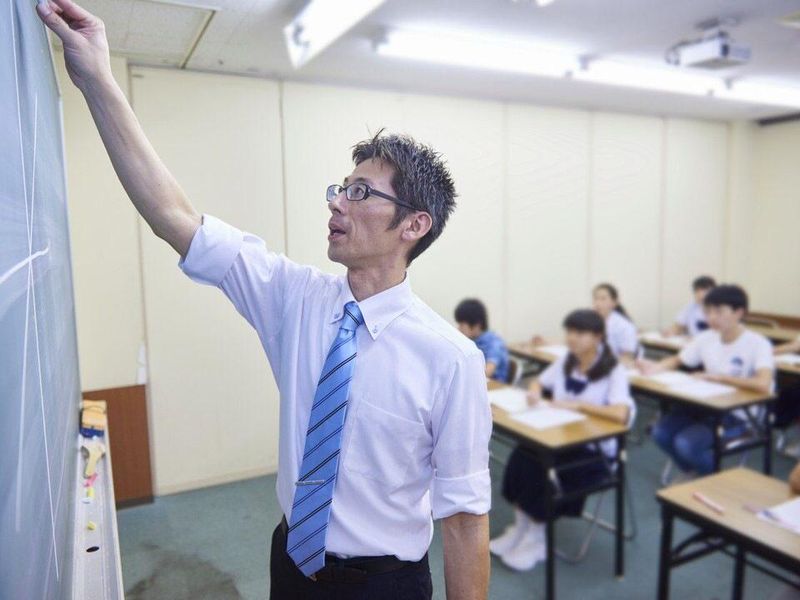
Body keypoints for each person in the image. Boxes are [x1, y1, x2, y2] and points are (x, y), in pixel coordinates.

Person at [37, 2, 492, 598]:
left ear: (414, 225)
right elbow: (173, 216)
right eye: (341, 188)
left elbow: (463, 520)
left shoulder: (450, 359)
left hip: (384, 584)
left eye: (360, 192)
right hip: (291, 563)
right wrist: (97, 76)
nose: (337, 202)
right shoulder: (294, 297)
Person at [490, 309, 634, 571]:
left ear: (598, 337)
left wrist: (578, 405)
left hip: (594, 452)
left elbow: (620, 413)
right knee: (523, 456)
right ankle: (521, 528)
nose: (572, 338)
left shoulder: (612, 369)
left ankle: (537, 537)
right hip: (558, 436)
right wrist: (535, 392)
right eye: (570, 331)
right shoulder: (568, 360)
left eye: (580, 333)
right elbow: (538, 382)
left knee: (545, 471)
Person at [640, 284, 775, 476]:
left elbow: (763, 383)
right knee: (660, 433)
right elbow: (678, 359)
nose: (711, 318)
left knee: (686, 444)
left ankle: (712, 482)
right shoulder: (706, 338)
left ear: (739, 313)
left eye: (719, 311)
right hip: (707, 406)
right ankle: (697, 474)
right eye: (708, 311)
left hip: (741, 415)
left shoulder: (758, 343)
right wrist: (655, 368)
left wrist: (720, 378)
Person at [455, 299, 510, 383]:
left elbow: (487, 372)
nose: (458, 329)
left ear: (476, 325)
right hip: (479, 385)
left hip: (495, 387)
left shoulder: (494, 343)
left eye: (462, 325)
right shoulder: (472, 341)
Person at [592, 283, 639, 366]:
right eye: (595, 298)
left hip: (614, 367)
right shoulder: (590, 321)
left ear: (614, 302)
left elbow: (627, 358)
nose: (597, 303)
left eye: (603, 299)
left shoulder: (624, 326)